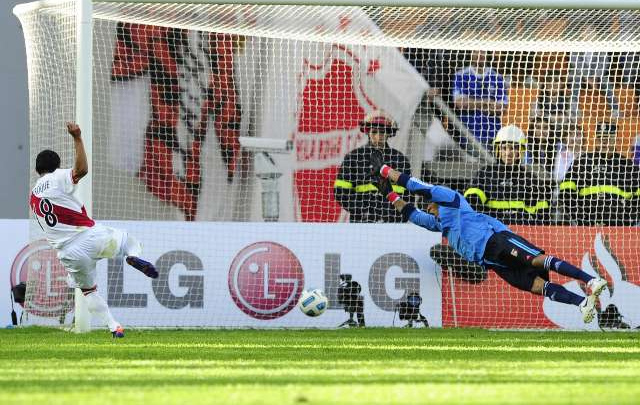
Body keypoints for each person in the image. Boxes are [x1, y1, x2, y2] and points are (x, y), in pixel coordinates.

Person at [369, 150, 608, 323]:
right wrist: (389, 194)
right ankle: (582, 303)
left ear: (435, 203)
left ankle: (590, 281)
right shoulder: (442, 225)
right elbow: (412, 215)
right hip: (492, 262)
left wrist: (385, 171)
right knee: (535, 286)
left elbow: (417, 186)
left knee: (535, 259)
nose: (427, 208)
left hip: (497, 240)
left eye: (429, 205)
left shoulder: (452, 200)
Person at [30, 122, 159, 338]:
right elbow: (82, 170)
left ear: (37, 170)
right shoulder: (58, 177)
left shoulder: (33, 196)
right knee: (129, 241)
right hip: (89, 236)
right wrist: (78, 137)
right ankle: (133, 257)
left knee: (89, 291)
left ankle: (114, 326)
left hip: (69, 254)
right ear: (57, 165)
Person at [464, 124, 553, 225]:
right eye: (504, 148)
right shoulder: (484, 175)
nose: (508, 153)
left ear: (521, 151)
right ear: (498, 150)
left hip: (523, 234)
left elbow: (542, 217)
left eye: (513, 148)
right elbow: (470, 203)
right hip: (492, 233)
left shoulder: (531, 180)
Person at [334, 112, 411, 223]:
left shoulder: (400, 160)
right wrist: (362, 211)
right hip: (361, 222)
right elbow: (341, 191)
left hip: (393, 223)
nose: (378, 136)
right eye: (374, 132)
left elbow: (409, 193)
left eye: (382, 132)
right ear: (367, 132)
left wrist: (395, 213)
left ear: (389, 133)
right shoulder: (353, 158)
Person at [559, 122, 640, 226]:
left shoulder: (629, 166)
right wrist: (580, 220)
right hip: (586, 228)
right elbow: (566, 193)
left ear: (616, 140)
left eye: (608, 139)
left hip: (619, 230)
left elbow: (637, 199)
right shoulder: (581, 162)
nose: (604, 142)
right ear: (595, 140)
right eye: (600, 139)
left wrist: (627, 221)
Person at [452, 48, 508, 147]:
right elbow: (460, 103)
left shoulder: (497, 77)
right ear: (471, 53)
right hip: (468, 132)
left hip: (492, 133)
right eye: (476, 51)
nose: (479, 54)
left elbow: (502, 108)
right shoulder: (461, 75)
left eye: (482, 51)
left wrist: (473, 103)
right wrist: (486, 102)